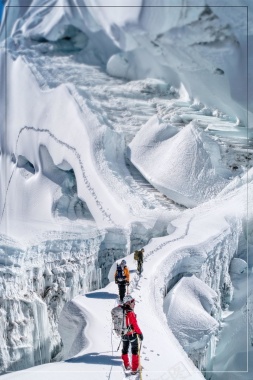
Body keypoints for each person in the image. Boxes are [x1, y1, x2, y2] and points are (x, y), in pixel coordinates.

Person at [121, 294, 143, 374]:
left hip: (123, 334)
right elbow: (135, 324)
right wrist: (140, 334)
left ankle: (126, 365)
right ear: (128, 302)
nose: (134, 304)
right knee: (134, 350)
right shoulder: (130, 313)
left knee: (125, 349)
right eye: (132, 302)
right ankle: (134, 369)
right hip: (132, 334)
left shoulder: (121, 310)